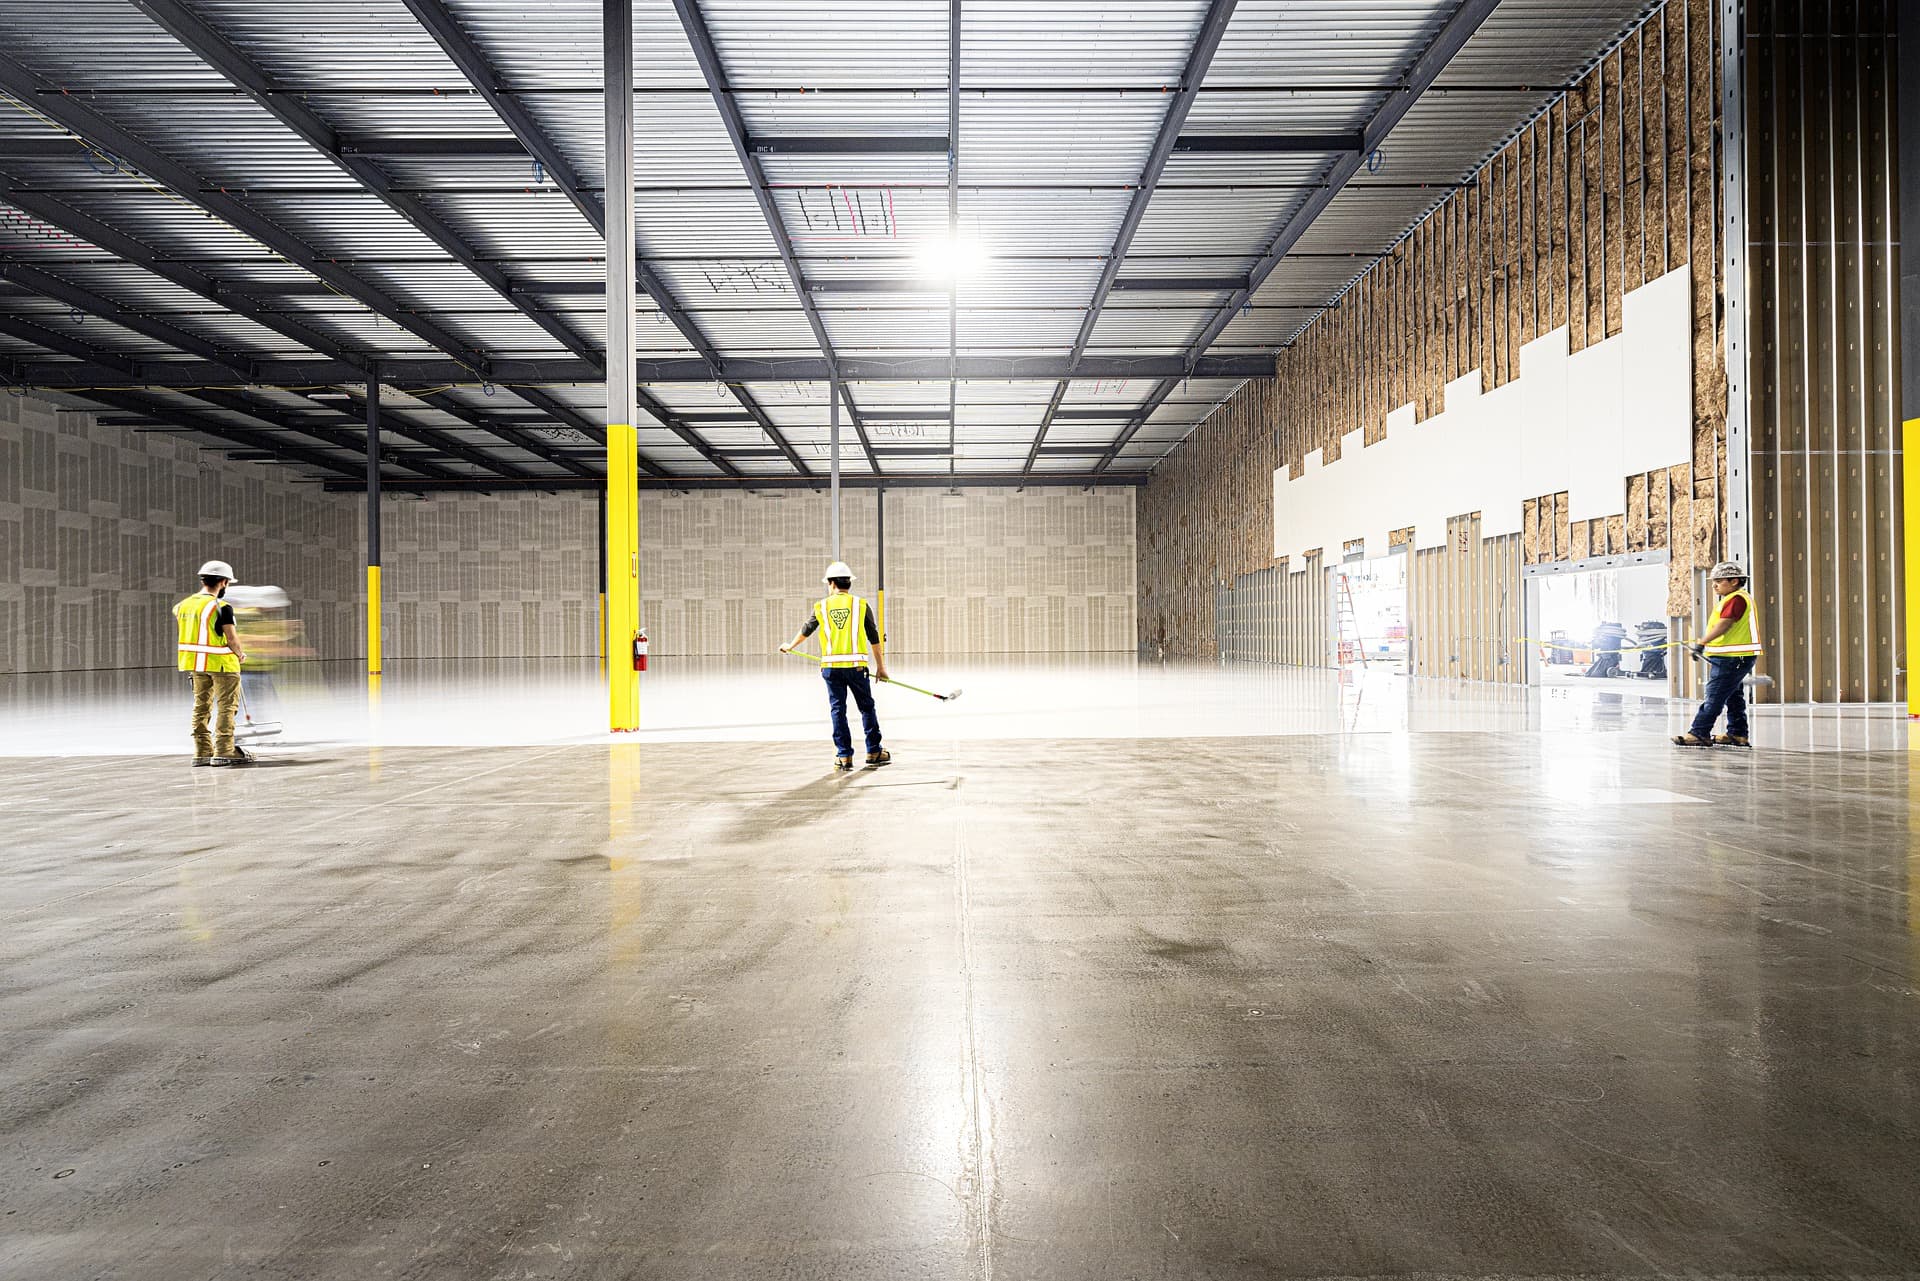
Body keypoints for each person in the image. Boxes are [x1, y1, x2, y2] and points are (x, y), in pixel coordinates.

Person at [781, 561, 892, 771]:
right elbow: (874, 637)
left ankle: (844, 756)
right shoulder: (860, 605)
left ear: (831, 583)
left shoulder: (821, 606)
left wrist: (790, 646)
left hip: (831, 669)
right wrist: (881, 667)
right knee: (866, 707)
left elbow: (807, 629)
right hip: (857, 667)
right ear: (848, 583)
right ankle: (874, 751)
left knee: (838, 710)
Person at [1673, 560, 1763, 748]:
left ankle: (1699, 732)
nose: (1714, 585)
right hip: (1735, 656)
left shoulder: (1736, 599)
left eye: (1719, 581)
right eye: (1713, 581)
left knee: (1714, 695)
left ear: (1734, 581)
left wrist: (1702, 643)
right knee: (1733, 695)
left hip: (1733, 658)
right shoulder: (1733, 599)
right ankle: (1738, 734)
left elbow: (1725, 624)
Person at [173, 559, 250, 766]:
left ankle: (202, 752)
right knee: (226, 707)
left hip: (195, 664)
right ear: (224, 582)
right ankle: (225, 750)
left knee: (201, 707)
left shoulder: (182, 605)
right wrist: (241, 655)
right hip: (222, 664)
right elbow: (232, 639)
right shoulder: (222, 606)